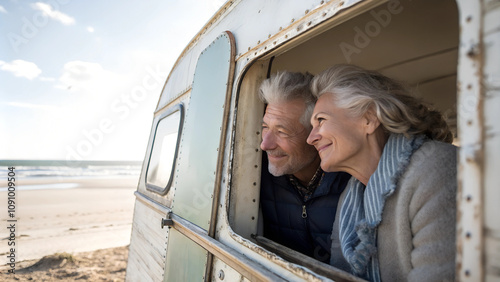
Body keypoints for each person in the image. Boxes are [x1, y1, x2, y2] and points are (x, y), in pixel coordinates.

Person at [306, 64, 457, 281]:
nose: (311, 138)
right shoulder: (352, 196)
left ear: (368, 119)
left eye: (320, 120)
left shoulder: (437, 168)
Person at [258, 71, 351, 264]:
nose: (265, 145)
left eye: (282, 131)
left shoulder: (352, 181)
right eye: (265, 127)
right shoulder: (252, 175)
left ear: (316, 134)